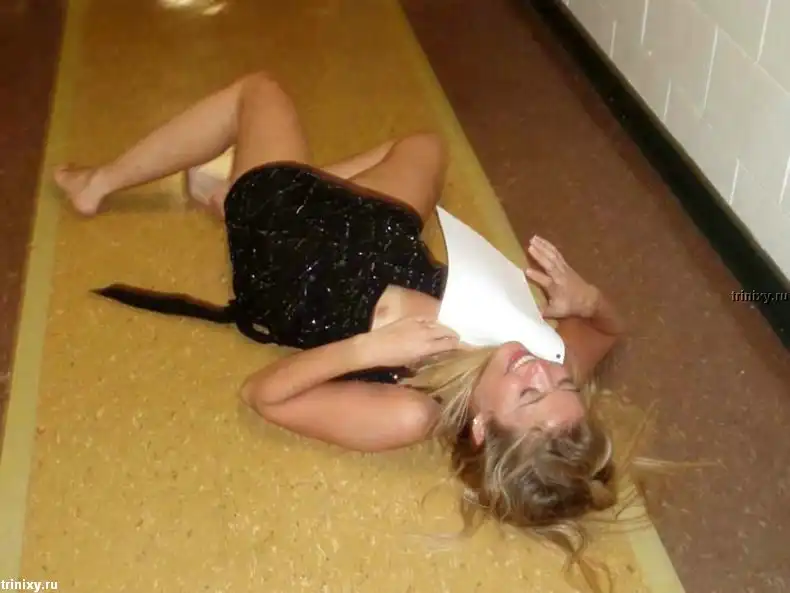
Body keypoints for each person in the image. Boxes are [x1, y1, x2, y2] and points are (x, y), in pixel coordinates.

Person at [54, 70, 627, 587]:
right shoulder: (539, 357)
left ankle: (99, 185)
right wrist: (588, 300)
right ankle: (254, 189)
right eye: (562, 383)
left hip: (292, 256)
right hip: (383, 238)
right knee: (425, 146)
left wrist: (367, 349)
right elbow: (608, 333)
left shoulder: (413, 410)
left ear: (480, 428)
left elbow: (262, 396)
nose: (539, 370)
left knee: (258, 92)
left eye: (529, 394)